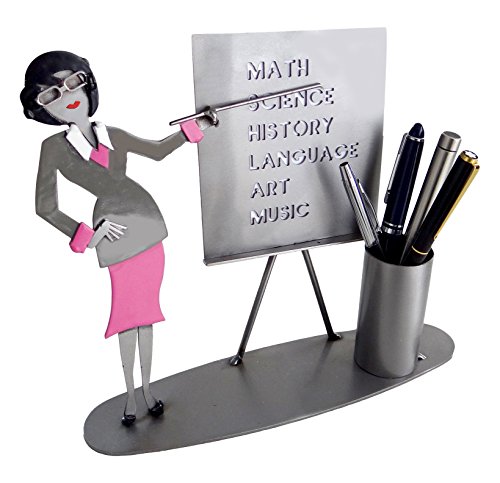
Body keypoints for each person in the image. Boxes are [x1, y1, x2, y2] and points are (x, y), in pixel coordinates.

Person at [20, 51, 215, 427]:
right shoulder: (54, 148)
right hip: (115, 233)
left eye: (72, 83)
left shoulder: (112, 134)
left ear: (88, 85)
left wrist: (196, 127)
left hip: (148, 224)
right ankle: (130, 396)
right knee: (127, 316)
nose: (67, 96)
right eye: (52, 94)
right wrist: (87, 236)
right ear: (41, 107)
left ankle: (148, 391)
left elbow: (157, 151)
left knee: (148, 314)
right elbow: (45, 207)